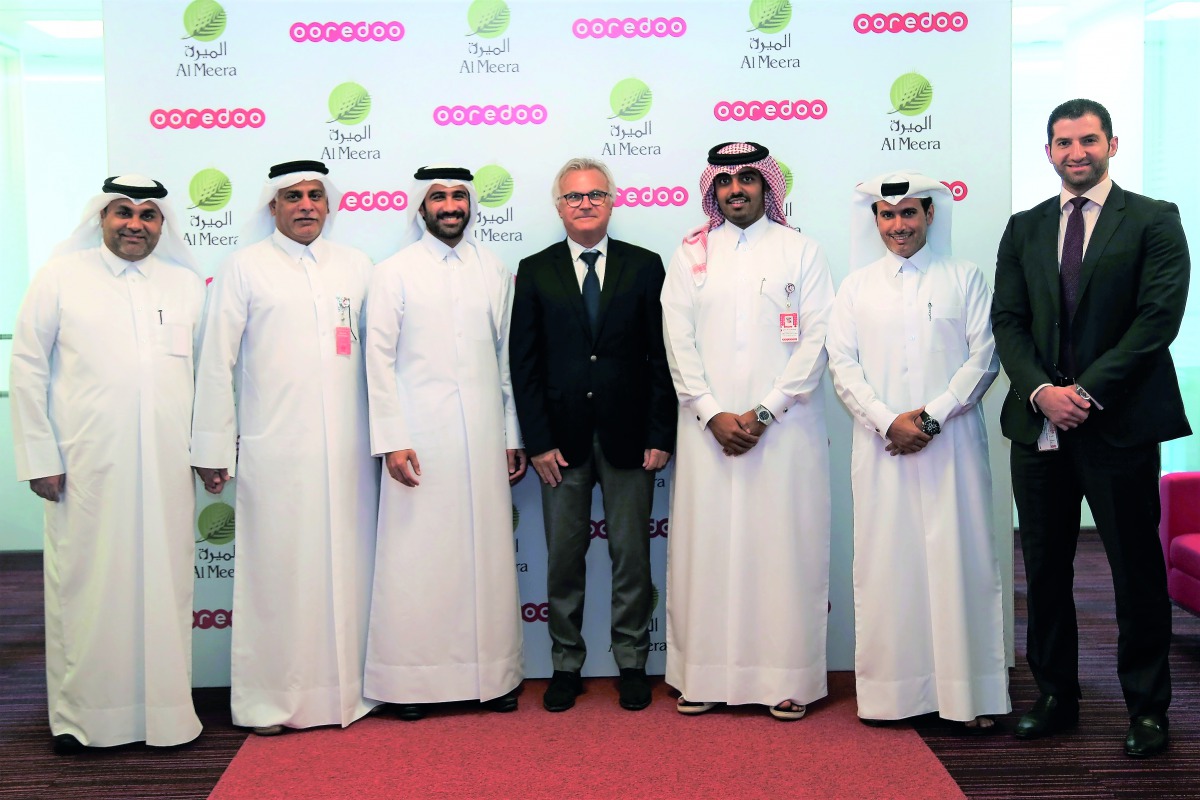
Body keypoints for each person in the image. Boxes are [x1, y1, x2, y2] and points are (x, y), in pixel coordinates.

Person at [993, 99, 1191, 757]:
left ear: (1112, 143)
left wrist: (1084, 392)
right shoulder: (1023, 227)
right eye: (1063, 142)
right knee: (1043, 571)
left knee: (1134, 571)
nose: (1076, 152)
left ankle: (1147, 709)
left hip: (1119, 425)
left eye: (1088, 140)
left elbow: (1157, 320)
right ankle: (1055, 697)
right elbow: (1009, 322)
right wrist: (1042, 392)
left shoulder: (1155, 220)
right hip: (1040, 427)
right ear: (1047, 151)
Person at [10, 175, 205, 753]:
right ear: (101, 218)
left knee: (165, 589)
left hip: (168, 468)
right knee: (87, 587)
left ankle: (167, 716)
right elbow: (26, 369)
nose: (135, 224)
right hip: (86, 466)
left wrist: (209, 451)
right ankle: (85, 719)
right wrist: (38, 456)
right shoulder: (60, 278)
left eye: (148, 215)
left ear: (162, 225)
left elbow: (209, 379)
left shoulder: (188, 285)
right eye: (123, 212)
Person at [191, 160, 379, 735]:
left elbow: (382, 357)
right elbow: (216, 361)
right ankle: (269, 702)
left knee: (348, 569)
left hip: (350, 453)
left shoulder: (358, 267)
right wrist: (212, 446)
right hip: (276, 451)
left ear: (329, 204)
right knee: (276, 574)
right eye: (292, 196)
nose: (305, 205)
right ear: (273, 208)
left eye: (314, 195)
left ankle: (347, 695)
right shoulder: (244, 267)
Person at [826, 171, 1009, 733]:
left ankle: (967, 696)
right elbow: (843, 366)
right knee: (888, 567)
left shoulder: (965, 278)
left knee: (961, 565)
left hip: (951, 446)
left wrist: (929, 418)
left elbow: (984, 359)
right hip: (882, 450)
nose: (898, 225)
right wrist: (888, 422)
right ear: (875, 221)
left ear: (931, 216)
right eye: (887, 214)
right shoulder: (855, 287)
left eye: (909, 213)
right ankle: (890, 697)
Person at [660, 142, 834, 720]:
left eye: (748, 179)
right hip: (707, 431)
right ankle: (704, 677)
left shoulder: (801, 251)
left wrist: (763, 412)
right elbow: (677, 341)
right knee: (707, 552)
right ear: (714, 190)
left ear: (766, 185)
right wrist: (711, 412)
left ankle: (786, 679)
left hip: (782, 433)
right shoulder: (691, 254)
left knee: (782, 551)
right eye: (726, 181)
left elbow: (817, 342)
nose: (737, 189)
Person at [509, 157, 676, 711]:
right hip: (560, 444)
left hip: (631, 438)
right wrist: (536, 442)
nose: (585, 204)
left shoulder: (646, 265)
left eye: (596, 195)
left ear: (612, 202)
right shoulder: (534, 270)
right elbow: (524, 365)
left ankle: (632, 661)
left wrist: (661, 432)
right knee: (563, 559)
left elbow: (660, 357)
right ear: (558, 206)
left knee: (632, 557)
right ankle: (565, 664)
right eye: (574, 196)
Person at [363, 165, 527, 720]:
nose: (451, 205)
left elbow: (508, 360)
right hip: (418, 439)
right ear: (422, 206)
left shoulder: (494, 269)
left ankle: (494, 678)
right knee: (417, 559)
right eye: (439, 197)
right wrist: (392, 439)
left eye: (459, 195)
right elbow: (378, 362)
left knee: (486, 558)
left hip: (482, 436)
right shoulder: (394, 273)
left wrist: (511, 434)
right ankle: (411, 684)